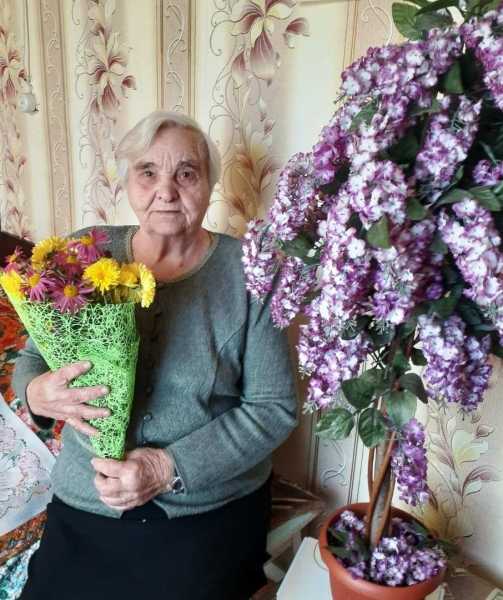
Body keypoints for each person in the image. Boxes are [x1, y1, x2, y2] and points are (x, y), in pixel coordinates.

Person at [14, 111, 298, 600]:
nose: (166, 191)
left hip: (201, 507)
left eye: (186, 173)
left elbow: (274, 408)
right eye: (148, 172)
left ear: (208, 185)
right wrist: (36, 393)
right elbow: (31, 361)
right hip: (87, 500)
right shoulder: (87, 252)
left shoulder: (251, 272)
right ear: (127, 181)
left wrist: (166, 468)